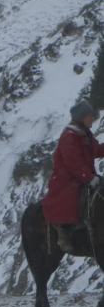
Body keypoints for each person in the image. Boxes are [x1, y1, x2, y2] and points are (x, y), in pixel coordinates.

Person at [43, 100, 104, 252]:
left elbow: (96, 150)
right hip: (67, 181)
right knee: (71, 201)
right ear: (82, 117)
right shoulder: (69, 137)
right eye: (90, 116)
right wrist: (89, 178)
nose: (93, 118)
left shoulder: (84, 134)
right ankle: (64, 231)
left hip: (83, 177)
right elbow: (73, 163)